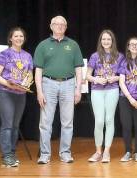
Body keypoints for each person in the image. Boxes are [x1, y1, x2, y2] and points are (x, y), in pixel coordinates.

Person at [34, 15, 84, 164]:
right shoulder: (42, 45)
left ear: (66, 27)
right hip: (48, 84)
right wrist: (39, 91)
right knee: (45, 122)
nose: (60, 26)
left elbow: (79, 69)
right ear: (51, 26)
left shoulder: (73, 45)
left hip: (69, 85)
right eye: (57, 24)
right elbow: (38, 71)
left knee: (67, 122)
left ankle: (65, 153)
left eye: (63, 25)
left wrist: (78, 89)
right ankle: (44, 154)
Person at [0, 27, 33, 167]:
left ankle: (12, 153)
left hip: (20, 95)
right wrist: (9, 85)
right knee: (7, 126)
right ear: (11, 39)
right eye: (16, 36)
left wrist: (25, 84)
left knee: (15, 126)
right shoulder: (5, 54)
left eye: (21, 36)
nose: (19, 38)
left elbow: (29, 75)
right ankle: (6, 156)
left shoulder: (28, 56)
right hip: (5, 94)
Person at [86, 30, 123, 163]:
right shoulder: (95, 56)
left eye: (109, 39)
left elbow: (123, 75)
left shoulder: (119, 56)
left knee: (109, 120)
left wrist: (115, 77)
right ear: (100, 41)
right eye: (104, 39)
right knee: (99, 121)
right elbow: (87, 75)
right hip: (97, 90)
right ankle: (98, 152)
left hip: (112, 90)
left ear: (112, 41)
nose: (106, 41)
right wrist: (96, 79)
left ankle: (106, 151)